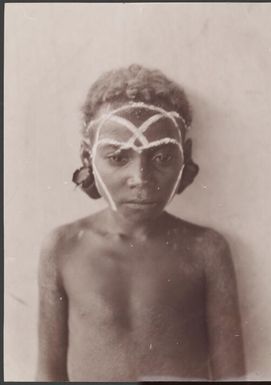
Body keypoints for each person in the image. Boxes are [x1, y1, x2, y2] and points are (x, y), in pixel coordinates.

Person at [36, 64, 246, 381]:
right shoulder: (63, 248)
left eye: (161, 157)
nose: (141, 179)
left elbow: (233, 377)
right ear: (87, 159)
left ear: (185, 157)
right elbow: (47, 375)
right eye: (118, 157)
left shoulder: (206, 249)